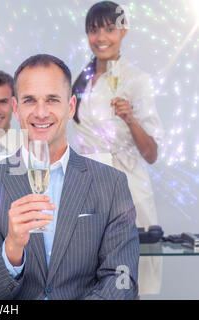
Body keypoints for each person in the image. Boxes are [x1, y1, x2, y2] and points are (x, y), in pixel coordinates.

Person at [0, 54, 139, 300]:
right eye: (29, 100)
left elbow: (122, 279)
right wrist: (12, 246)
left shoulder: (112, 184)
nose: (41, 112)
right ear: (16, 108)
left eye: (52, 100)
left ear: (71, 106)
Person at [69, 1, 163, 295]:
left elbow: (152, 153)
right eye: (94, 30)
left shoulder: (137, 80)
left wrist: (130, 118)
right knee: (87, 283)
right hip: (88, 192)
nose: (101, 38)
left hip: (127, 191)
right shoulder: (81, 79)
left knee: (127, 284)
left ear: (124, 31)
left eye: (110, 29)